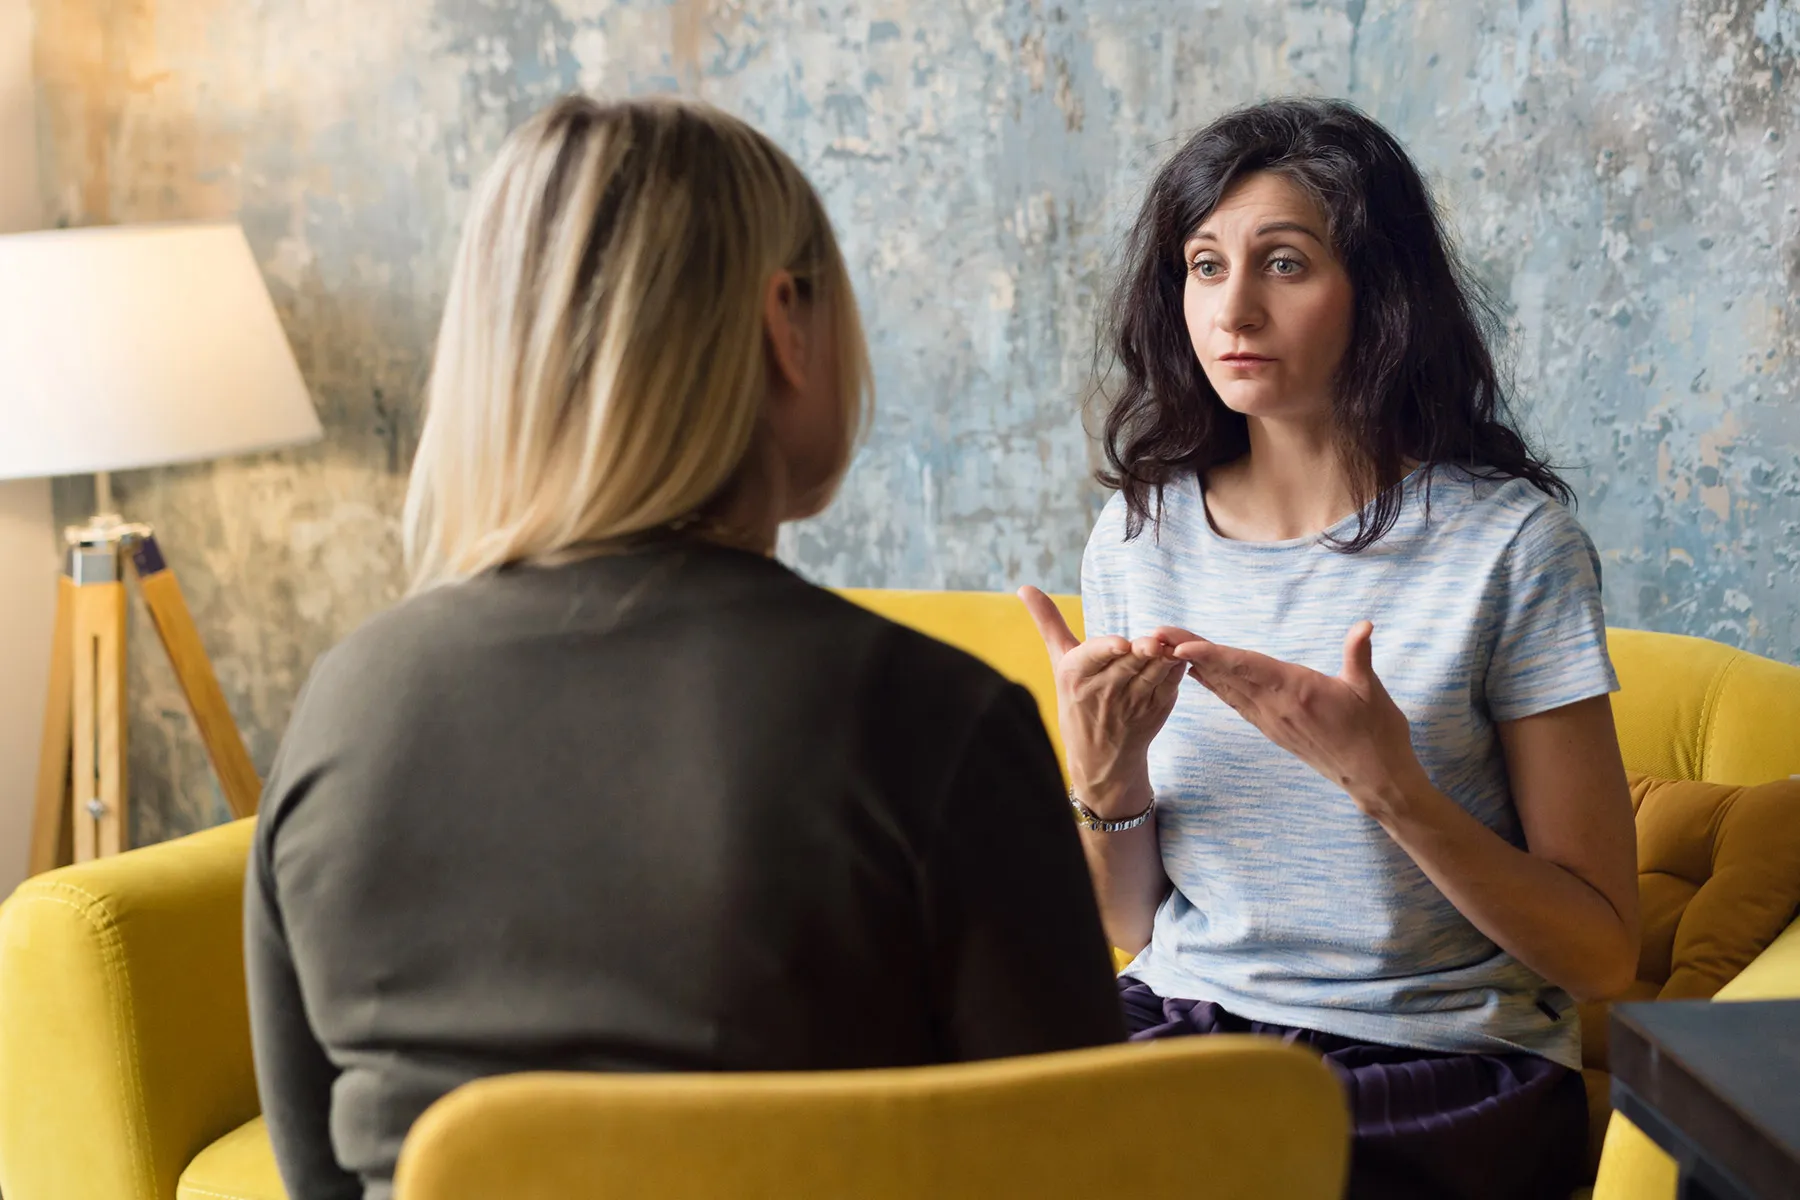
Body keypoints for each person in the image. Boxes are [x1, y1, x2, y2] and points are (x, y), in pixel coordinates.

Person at [245, 94, 1124, 1200]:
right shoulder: (929, 716)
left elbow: (315, 1172)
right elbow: (1092, 1165)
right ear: (784, 325)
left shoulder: (345, 702)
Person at [1020, 98, 1640, 1199]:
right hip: (1185, 1027)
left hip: (1441, 1063)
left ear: (1381, 292)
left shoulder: (1511, 545)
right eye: (1204, 266)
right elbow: (1126, 923)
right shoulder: (1137, 535)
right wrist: (1106, 773)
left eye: (1285, 264)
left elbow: (1601, 956)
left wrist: (1390, 785)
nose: (1235, 308)